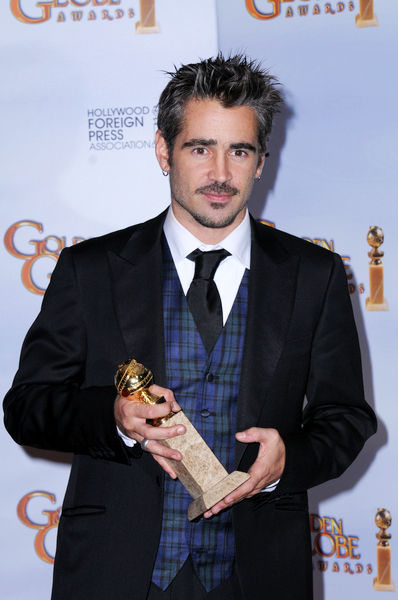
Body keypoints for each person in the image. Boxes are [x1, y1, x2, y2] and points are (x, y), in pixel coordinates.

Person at [3, 55, 376, 600]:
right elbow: (28, 407)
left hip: (257, 575)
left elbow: (346, 419)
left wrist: (286, 460)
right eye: (200, 148)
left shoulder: (313, 275)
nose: (221, 174)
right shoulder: (92, 270)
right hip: (118, 572)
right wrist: (113, 417)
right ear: (163, 151)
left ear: (261, 161)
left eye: (239, 151)